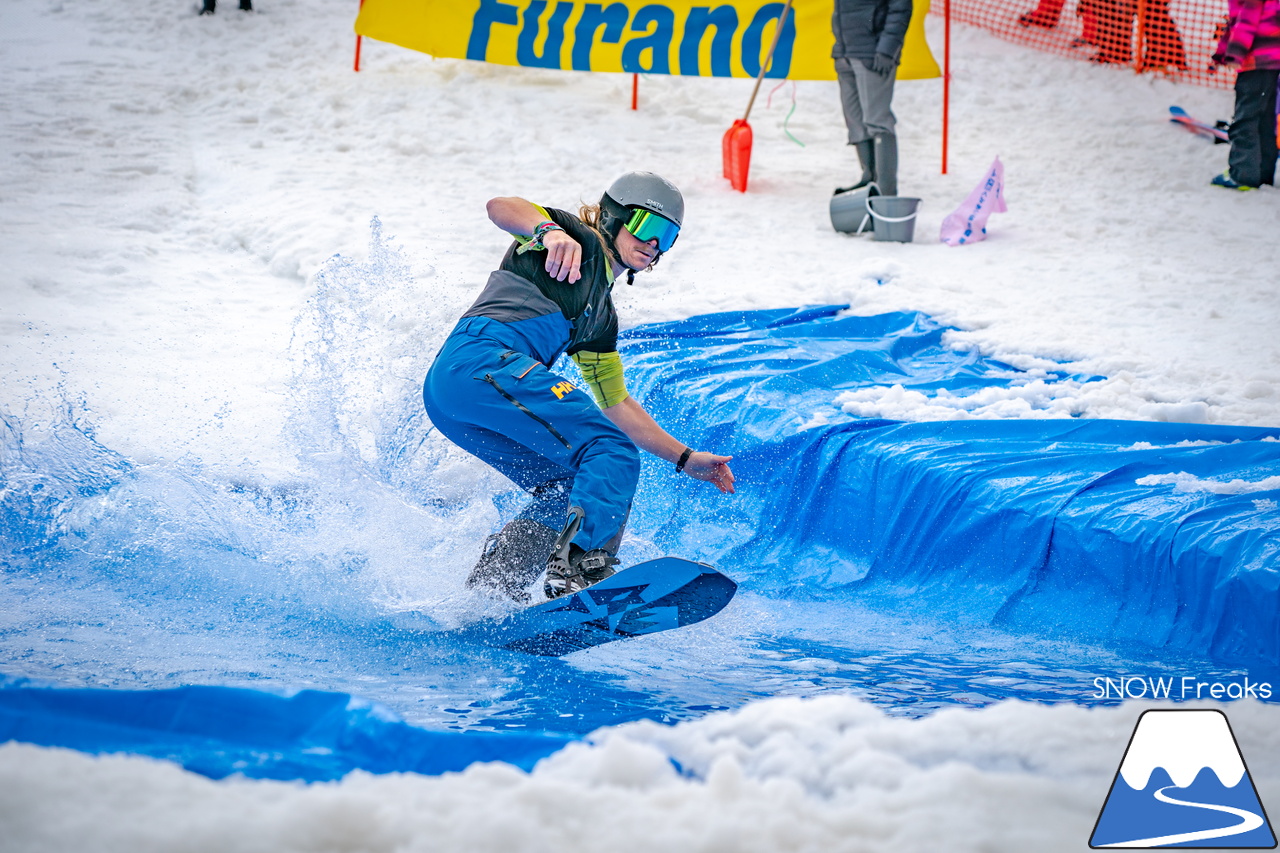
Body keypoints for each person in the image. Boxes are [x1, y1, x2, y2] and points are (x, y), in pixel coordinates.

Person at [422, 172, 736, 603]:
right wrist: (547, 231)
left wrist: (685, 458)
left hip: (454, 396)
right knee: (610, 450)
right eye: (647, 227)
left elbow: (617, 404)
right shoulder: (575, 242)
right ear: (614, 216)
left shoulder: (600, 318)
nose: (654, 245)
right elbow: (500, 206)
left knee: (569, 486)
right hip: (480, 363)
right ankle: (579, 570)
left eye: (668, 237)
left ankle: (493, 589)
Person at [831, 0, 913, 197]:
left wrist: (887, 49)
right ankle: (869, 178)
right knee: (855, 121)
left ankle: (885, 190)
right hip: (845, 52)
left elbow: (900, 7)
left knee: (877, 120)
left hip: (872, 53)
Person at [1211, 0, 1280, 189]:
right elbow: (1236, 21)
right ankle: (1263, 174)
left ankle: (1242, 175)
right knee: (1265, 120)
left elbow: (1247, 20)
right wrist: (1221, 52)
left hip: (1256, 61)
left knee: (1246, 119)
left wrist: (1235, 53)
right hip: (1273, 61)